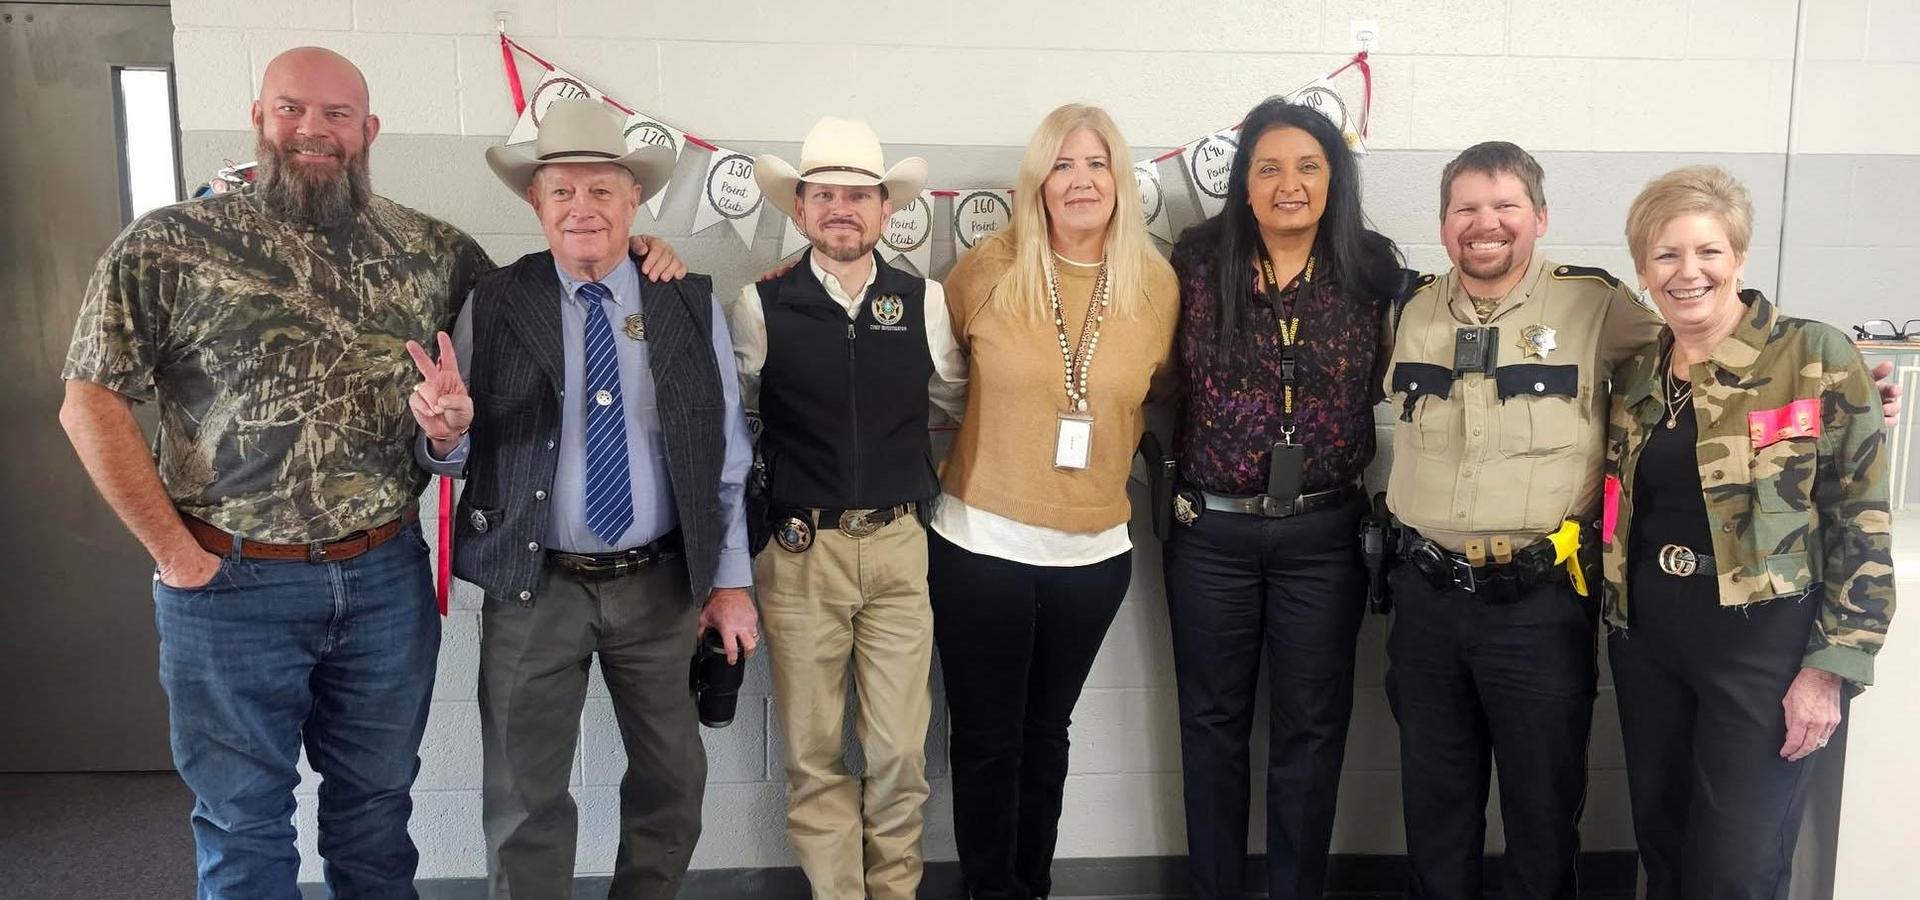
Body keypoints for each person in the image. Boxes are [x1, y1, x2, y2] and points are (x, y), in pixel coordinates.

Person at [410, 97, 756, 899]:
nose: (582, 208)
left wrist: (732, 582)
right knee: (523, 798)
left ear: (635, 202)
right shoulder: (496, 303)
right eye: (562, 191)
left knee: (674, 784)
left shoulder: (685, 301)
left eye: (603, 190)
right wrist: (447, 435)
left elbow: (726, 454)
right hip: (534, 588)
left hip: (661, 587)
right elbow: (456, 446)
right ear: (536, 204)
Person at [1600, 166, 1895, 900]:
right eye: (1666, 255)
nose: (1688, 272)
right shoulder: (1637, 376)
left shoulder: (1813, 356)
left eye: (1708, 251)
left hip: (1763, 644)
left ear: (1738, 256)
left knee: (1736, 867)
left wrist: (1831, 669)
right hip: (1650, 638)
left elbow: (1860, 521)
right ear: (1642, 269)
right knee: (1664, 846)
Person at [929, 103, 1178, 900]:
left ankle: (1030, 884)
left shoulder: (1156, 285)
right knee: (986, 738)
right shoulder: (987, 270)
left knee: (1047, 734)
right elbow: (937, 373)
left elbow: (1157, 392)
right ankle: (988, 888)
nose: (1080, 180)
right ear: (1037, 181)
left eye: (1096, 163)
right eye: (1062, 165)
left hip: (1093, 556)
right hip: (981, 546)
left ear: (1120, 179)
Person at [1162, 97, 1406, 900]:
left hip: (1324, 538)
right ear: (1243, 181)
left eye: (1308, 166)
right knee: (1212, 727)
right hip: (1212, 537)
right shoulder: (1198, 262)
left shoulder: (1372, 268)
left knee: (1311, 731)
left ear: (1335, 179)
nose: (1288, 184)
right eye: (1268, 168)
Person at [723, 115, 966, 900]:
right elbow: (730, 421)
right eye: (823, 195)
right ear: (799, 209)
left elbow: (961, 402)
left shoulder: (924, 301)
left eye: (858, 196)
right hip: (800, 553)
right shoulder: (761, 304)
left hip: (899, 546)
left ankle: (893, 890)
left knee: (898, 750)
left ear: (885, 209)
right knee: (813, 750)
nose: (841, 209)